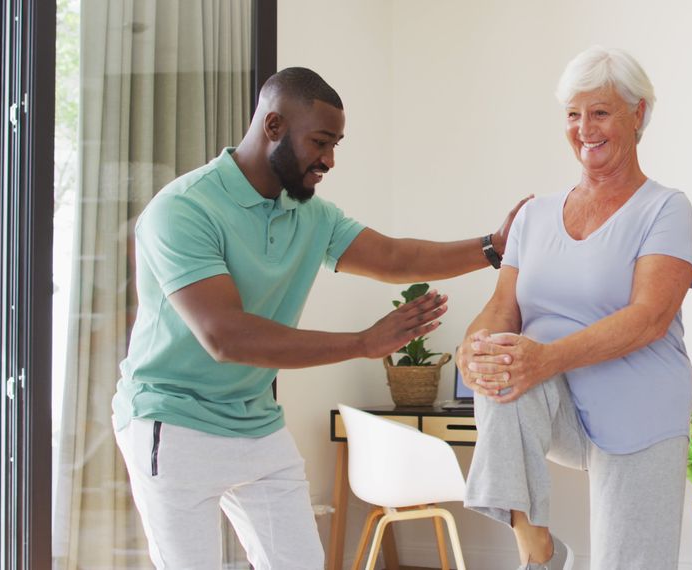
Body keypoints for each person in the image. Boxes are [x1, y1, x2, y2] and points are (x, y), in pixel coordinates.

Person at [111, 67, 529, 569]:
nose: (329, 160)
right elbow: (225, 335)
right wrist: (361, 343)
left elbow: (394, 258)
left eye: (336, 145)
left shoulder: (310, 215)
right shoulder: (183, 210)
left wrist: (492, 247)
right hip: (173, 424)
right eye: (320, 142)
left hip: (254, 421)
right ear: (272, 127)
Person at [458, 46, 692, 570]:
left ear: (637, 115)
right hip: (555, 401)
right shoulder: (534, 217)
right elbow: (503, 307)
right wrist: (472, 349)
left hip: (641, 406)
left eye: (600, 112)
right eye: (573, 114)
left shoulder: (665, 208)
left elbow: (649, 318)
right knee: (501, 359)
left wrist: (544, 358)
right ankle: (538, 554)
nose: (585, 128)